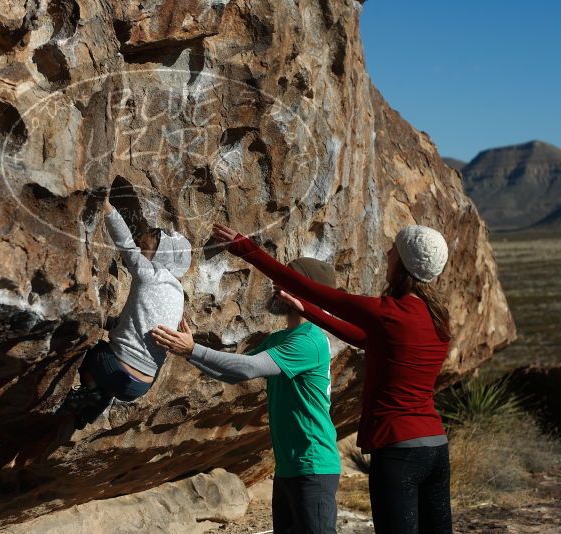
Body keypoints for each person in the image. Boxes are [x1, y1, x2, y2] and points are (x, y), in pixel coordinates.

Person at [211, 223, 453, 534]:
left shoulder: (388, 313)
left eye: (394, 249)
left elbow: (311, 288)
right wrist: (308, 311)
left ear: (404, 263)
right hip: (435, 447)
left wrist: (246, 248)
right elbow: (364, 339)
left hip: (399, 450)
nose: (388, 252)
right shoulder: (435, 316)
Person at [151, 258, 342, 534]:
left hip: (313, 467)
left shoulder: (309, 340)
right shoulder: (283, 338)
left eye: (286, 282)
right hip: (290, 468)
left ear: (306, 291)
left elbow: (249, 368)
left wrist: (193, 350)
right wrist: (186, 352)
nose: (276, 287)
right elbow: (234, 373)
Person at [58, 190, 192, 429]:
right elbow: (137, 324)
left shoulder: (150, 273)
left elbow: (125, 243)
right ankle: (84, 415)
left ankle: (82, 396)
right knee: (110, 378)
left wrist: (106, 206)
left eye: (153, 236)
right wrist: (105, 321)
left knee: (92, 352)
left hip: (115, 367)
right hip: (141, 385)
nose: (145, 237)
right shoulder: (178, 293)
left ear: (163, 251)